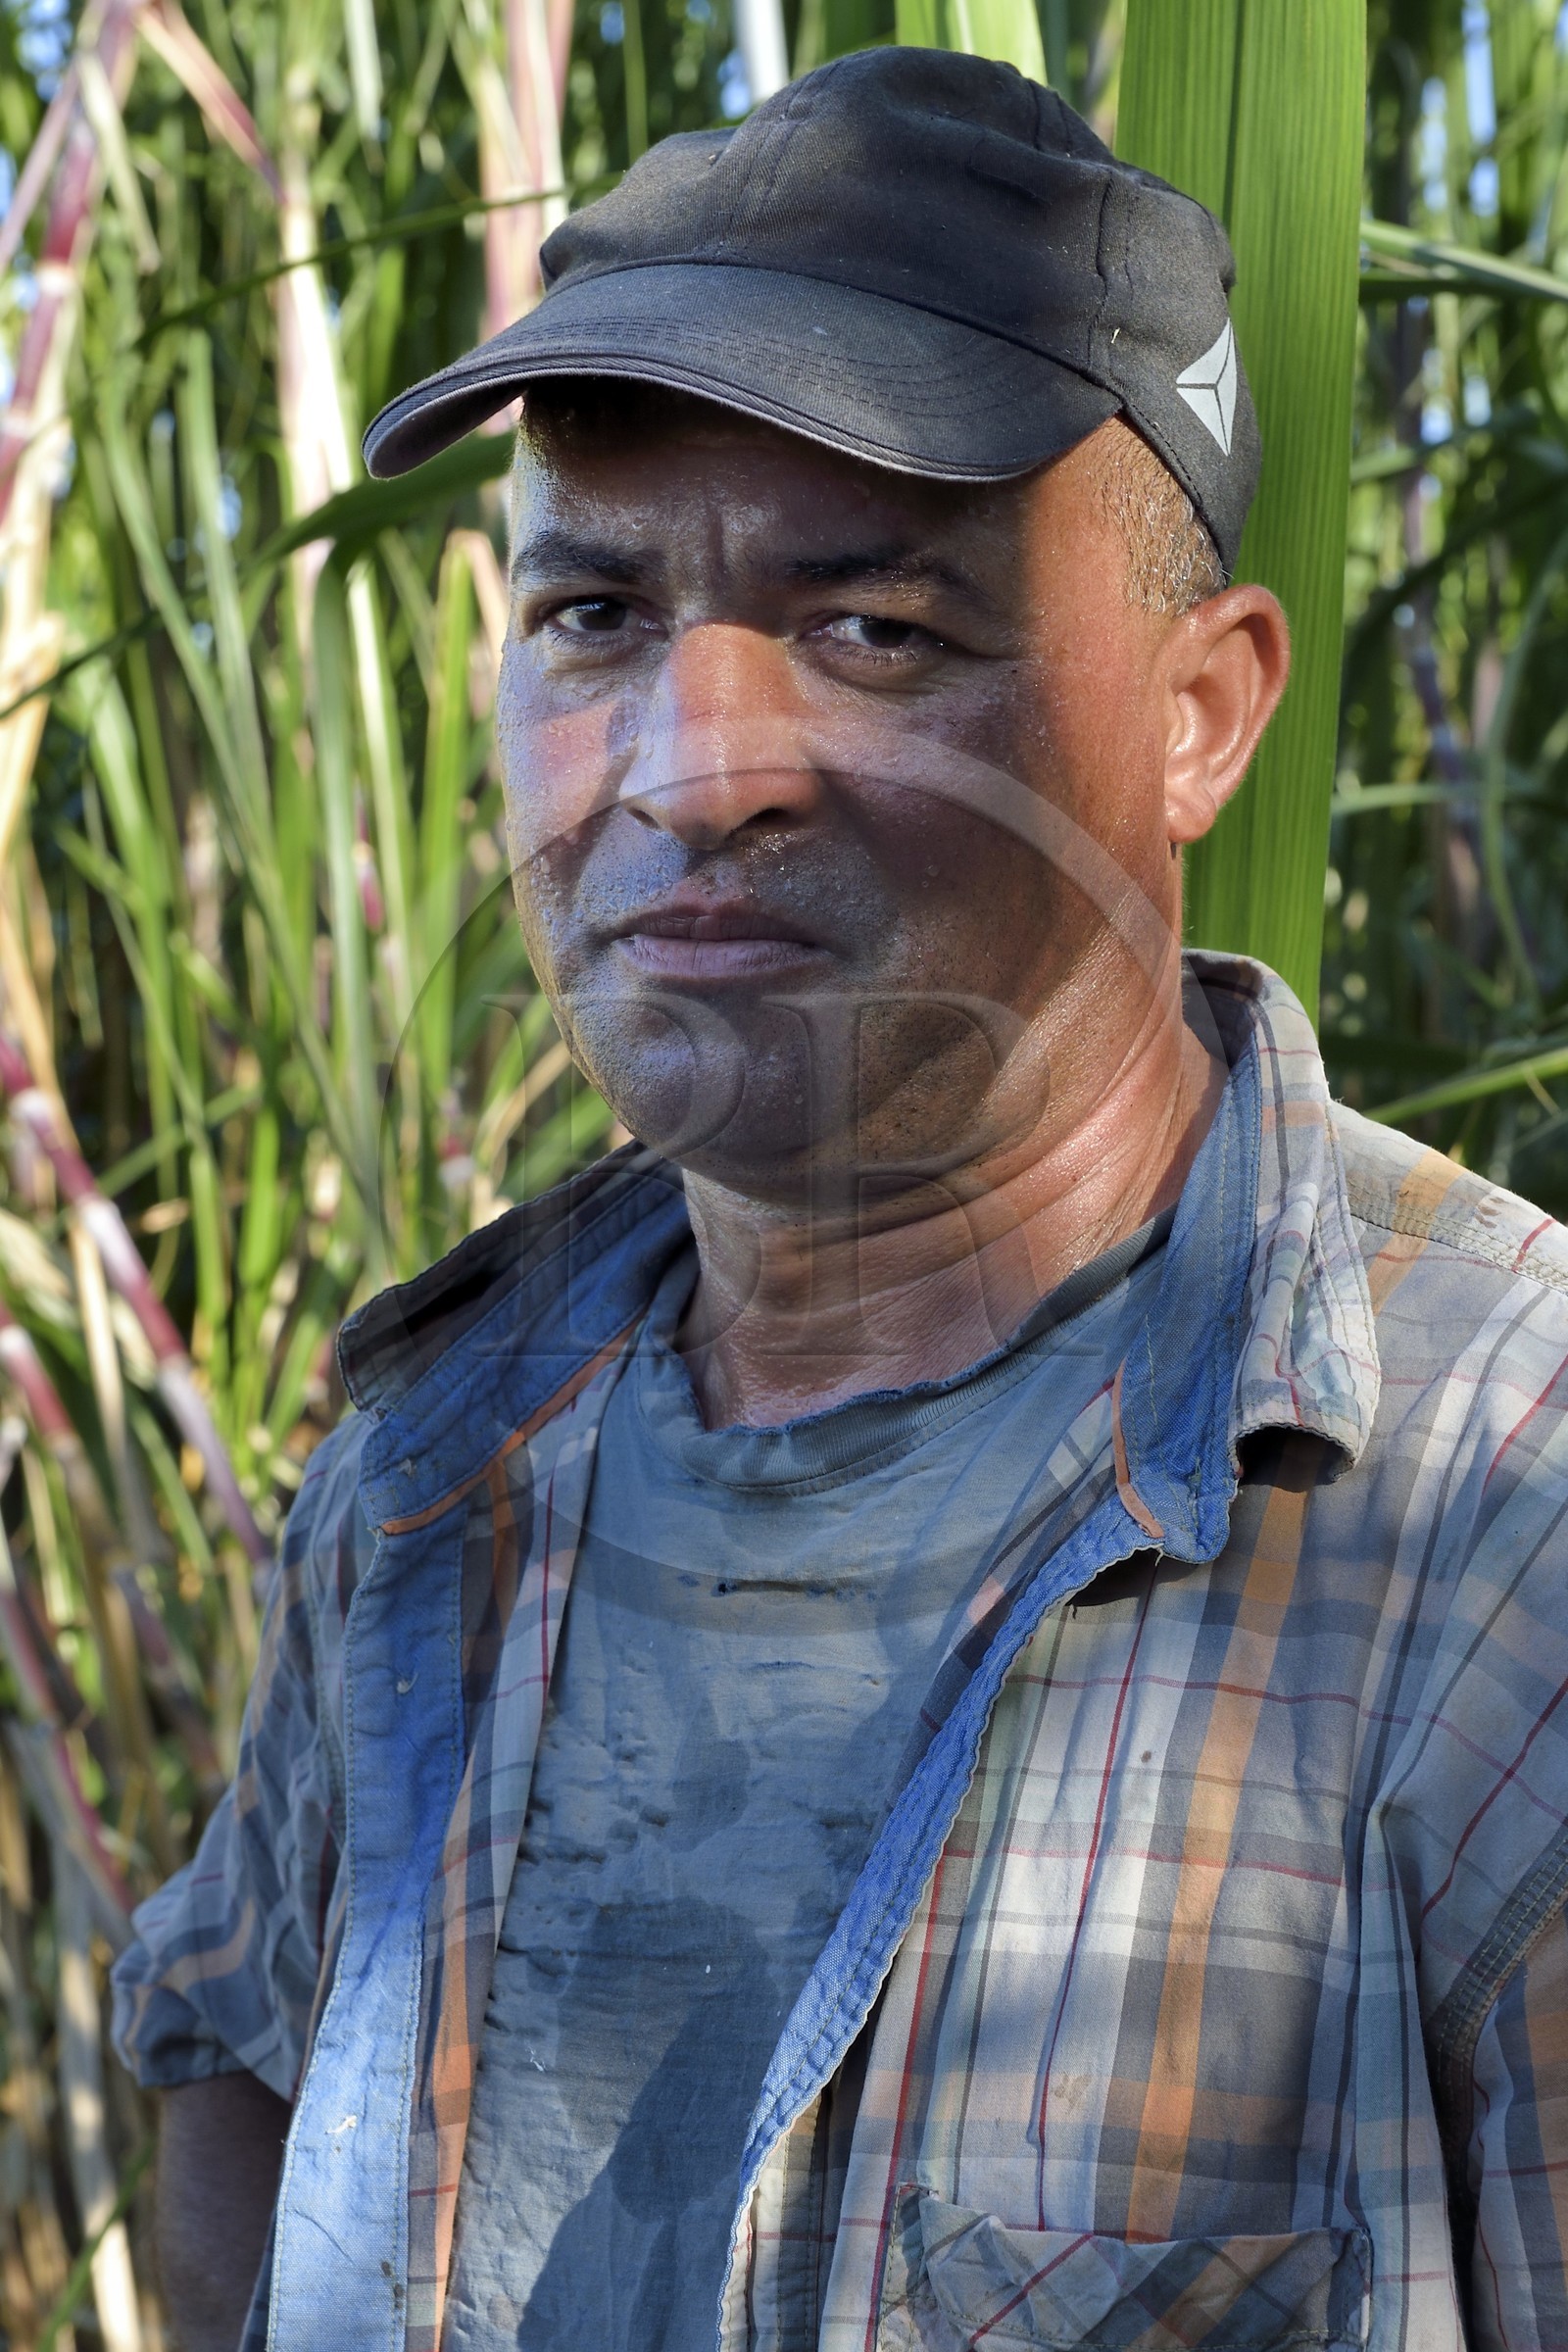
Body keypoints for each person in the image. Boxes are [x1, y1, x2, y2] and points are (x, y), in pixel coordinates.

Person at [113, 47, 1568, 2352]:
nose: (690, 772)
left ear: (1202, 713)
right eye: (592, 617)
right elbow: (229, 2062)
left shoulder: (1490, 1534)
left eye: (875, 631)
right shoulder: (433, 1471)